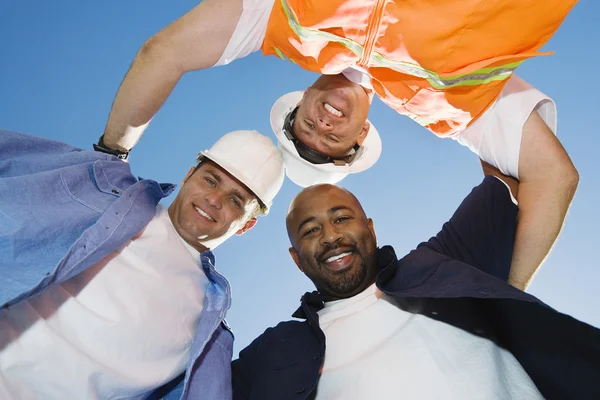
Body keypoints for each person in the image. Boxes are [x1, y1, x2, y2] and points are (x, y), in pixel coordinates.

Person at [99, 0, 579, 290]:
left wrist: (109, 156)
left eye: (303, 127)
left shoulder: (285, 20)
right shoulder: (441, 100)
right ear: (360, 138)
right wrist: (510, 301)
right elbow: (553, 177)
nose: (319, 127)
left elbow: (162, 53)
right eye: (329, 142)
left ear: (303, 96)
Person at [231, 167, 600, 400]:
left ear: (370, 229)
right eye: (310, 230)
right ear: (296, 258)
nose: (330, 235)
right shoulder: (271, 352)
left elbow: (524, 169)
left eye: (342, 218)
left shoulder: (443, 262)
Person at [0, 129, 284, 399]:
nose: (214, 199)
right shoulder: (108, 196)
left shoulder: (210, 338)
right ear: (188, 176)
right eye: (211, 180)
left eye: (235, 200)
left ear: (246, 226)